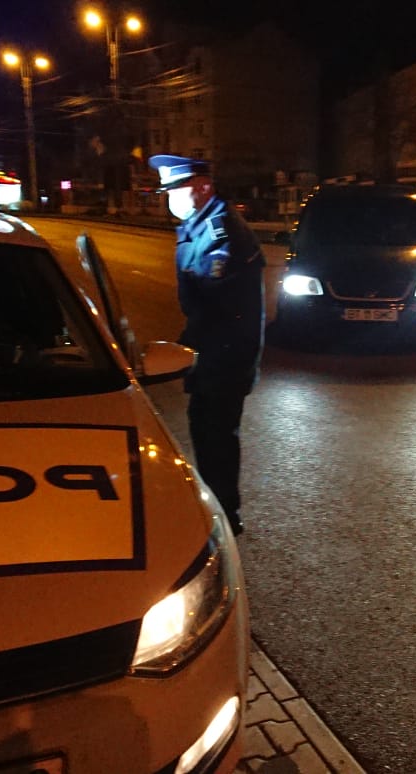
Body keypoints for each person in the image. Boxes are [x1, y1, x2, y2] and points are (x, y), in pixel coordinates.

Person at [148, 154, 265, 536]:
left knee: (216, 437)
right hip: (214, 354)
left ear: (203, 187)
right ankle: (217, 510)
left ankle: (224, 517)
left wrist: (184, 352)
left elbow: (218, 309)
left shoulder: (219, 233)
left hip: (224, 358)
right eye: (167, 191)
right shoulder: (197, 224)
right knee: (206, 432)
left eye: (177, 189)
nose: (171, 198)